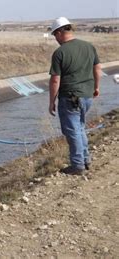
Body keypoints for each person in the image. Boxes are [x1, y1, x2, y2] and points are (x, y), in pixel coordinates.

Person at [48, 17, 101, 175]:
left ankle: (77, 165)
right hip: (87, 95)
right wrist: (96, 87)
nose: (55, 39)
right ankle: (86, 159)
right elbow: (97, 69)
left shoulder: (59, 53)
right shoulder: (89, 46)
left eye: (54, 35)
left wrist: (51, 101)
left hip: (70, 98)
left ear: (59, 32)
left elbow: (55, 79)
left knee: (72, 131)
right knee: (80, 128)